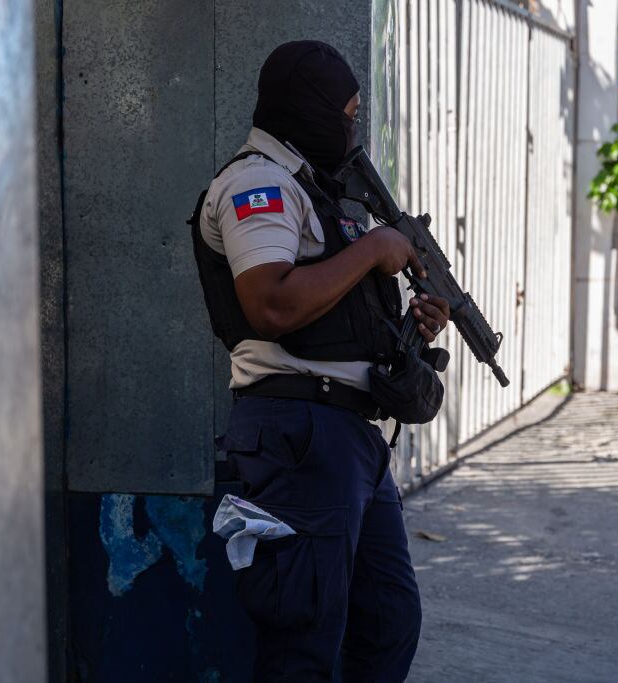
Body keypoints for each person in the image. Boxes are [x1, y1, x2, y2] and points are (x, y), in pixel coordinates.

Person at [192, 41, 450, 681]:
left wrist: (410, 326)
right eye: (348, 115)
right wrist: (374, 250)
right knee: (305, 642)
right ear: (309, 109)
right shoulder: (257, 183)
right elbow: (272, 304)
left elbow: (337, 313)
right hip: (303, 433)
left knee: (387, 623)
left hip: (349, 438)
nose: (352, 130)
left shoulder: (314, 191)